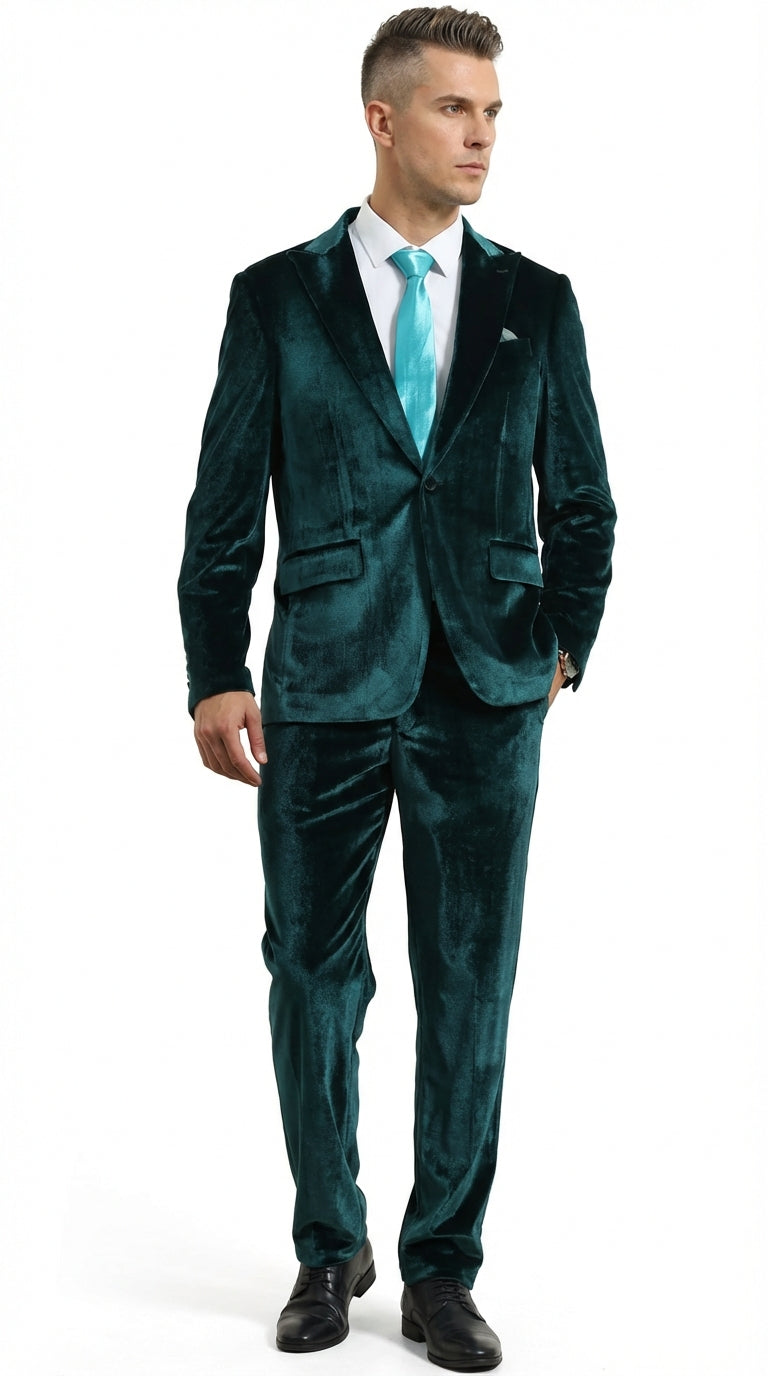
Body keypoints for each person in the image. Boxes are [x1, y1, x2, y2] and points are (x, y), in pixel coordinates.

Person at [178, 6, 616, 1369]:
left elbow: (585, 502)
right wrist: (215, 670)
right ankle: (329, 1246)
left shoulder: (536, 302)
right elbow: (222, 510)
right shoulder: (277, 297)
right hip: (322, 683)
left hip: (488, 688)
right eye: (454, 109)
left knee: (471, 985)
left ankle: (441, 1271)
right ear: (383, 119)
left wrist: (561, 642)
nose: (482, 136)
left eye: (493, 113)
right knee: (311, 975)